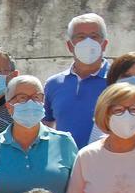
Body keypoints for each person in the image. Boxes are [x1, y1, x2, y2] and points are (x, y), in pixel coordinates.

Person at [0, 76, 78, 193]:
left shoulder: (64, 143)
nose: (31, 103)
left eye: (36, 97)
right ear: (9, 106)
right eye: (22, 98)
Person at [44, 13, 111, 148]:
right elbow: (46, 126)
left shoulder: (118, 80)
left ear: (104, 44)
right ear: (70, 46)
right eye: (80, 37)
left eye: (94, 37)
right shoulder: (53, 84)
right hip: (65, 164)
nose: (88, 42)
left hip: (107, 164)